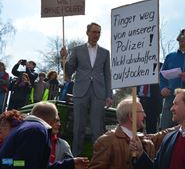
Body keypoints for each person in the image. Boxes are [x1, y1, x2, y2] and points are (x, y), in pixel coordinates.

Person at [60, 22, 113, 156]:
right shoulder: (77, 50)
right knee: (78, 127)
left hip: (99, 93)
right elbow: (69, 71)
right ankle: (76, 158)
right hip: (80, 92)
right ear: (87, 32)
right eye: (94, 32)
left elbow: (108, 75)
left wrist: (109, 95)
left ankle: (98, 160)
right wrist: (63, 58)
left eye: (99, 32)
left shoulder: (105, 53)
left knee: (97, 129)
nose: (96, 35)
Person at [0, 101, 89, 169]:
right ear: (53, 121)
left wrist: (70, 164)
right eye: (57, 120)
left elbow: (36, 164)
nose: (59, 124)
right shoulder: (37, 130)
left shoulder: (24, 127)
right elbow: (24, 163)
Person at [89, 97, 156, 169]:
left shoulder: (147, 142)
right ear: (131, 116)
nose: (145, 115)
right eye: (142, 112)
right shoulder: (106, 141)